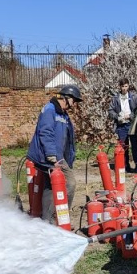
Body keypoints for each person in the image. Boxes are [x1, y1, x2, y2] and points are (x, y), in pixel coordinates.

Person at [27, 84, 80, 225]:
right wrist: (52, 156)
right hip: (50, 157)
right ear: (66, 98)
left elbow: (67, 139)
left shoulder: (62, 114)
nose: (74, 104)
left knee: (49, 187)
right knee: (70, 183)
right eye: (74, 101)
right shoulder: (50, 110)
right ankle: (61, 217)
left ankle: (47, 220)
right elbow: (45, 132)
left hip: (59, 156)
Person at [108, 78, 137, 172]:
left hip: (131, 124)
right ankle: (125, 165)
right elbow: (110, 110)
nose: (124, 88)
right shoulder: (115, 98)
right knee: (123, 146)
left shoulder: (134, 96)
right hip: (121, 125)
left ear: (128, 86)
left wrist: (131, 116)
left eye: (126, 86)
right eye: (122, 86)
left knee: (135, 145)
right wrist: (117, 116)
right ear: (120, 86)